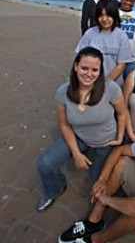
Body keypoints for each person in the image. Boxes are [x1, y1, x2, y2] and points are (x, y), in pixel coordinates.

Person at [36, 47, 127, 212]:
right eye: (84, 68)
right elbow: (64, 125)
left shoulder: (111, 88)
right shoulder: (63, 92)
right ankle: (55, 188)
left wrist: (120, 138)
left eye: (95, 70)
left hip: (105, 142)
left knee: (96, 184)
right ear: (76, 66)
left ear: (100, 72)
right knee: (45, 164)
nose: (89, 74)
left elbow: (122, 113)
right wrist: (76, 153)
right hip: (78, 137)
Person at [76, 0, 131, 86]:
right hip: (89, 83)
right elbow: (80, 58)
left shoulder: (121, 36)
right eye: (101, 15)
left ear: (114, 16)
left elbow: (122, 65)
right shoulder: (90, 34)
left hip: (113, 85)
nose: (104, 19)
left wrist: (105, 84)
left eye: (108, 15)